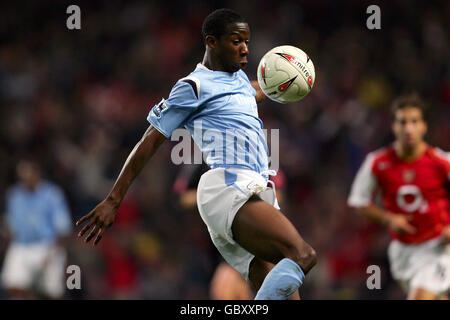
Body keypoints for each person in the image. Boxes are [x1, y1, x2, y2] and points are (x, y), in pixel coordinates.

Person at [76, 8, 316, 300]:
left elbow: (250, 93)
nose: (245, 49)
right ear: (212, 42)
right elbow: (149, 141)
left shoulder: (238, 80)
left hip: (252, 188)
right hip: (228, 188)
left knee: (286, 293)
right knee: (303, 254)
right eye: (236, 41)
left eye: (247, 42)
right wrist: (114, 200)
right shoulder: (193, 86)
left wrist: (281, 82)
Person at [348, 93, 450, 300]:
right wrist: (388, 218)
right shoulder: (377, 163)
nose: (408, 128)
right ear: (394, 126)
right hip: (402, 251)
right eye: (402, 122)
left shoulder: (441, 162)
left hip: (437, 247)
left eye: (414, 121)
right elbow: (358, 201)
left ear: (424, 126)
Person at [1, 158, 72, 299]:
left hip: (47, 246)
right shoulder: (14, 195)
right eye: (23, 174)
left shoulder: (52, 195)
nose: (26, 177)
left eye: (29, 173)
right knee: (13, 286)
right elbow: (10, 225)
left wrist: (53, 253)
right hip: (21, 246)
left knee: (50, 292)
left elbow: (63, 229)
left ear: (37, 173)